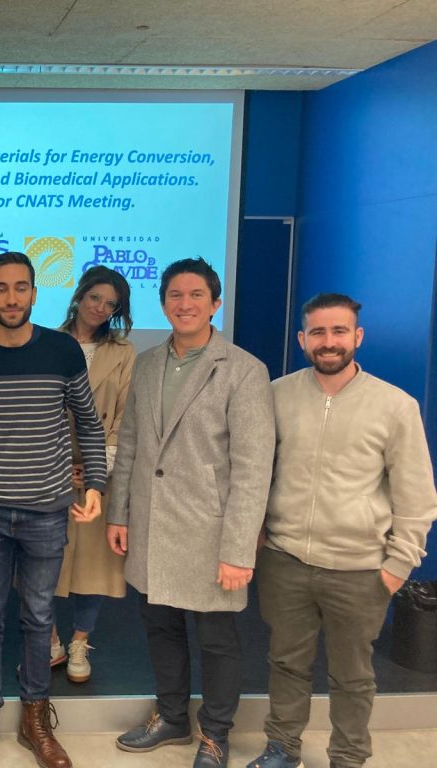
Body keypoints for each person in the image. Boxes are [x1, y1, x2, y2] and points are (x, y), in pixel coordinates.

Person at [246, 293, 437, 768]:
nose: (328, 342)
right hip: (286, 562)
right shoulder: (276, 395)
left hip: (360, 570)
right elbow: (256, 473)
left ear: (357, 336)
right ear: (301, 339)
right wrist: (259, 535)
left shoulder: (395, 406)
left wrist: (397, 566)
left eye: (338, 331)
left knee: (352, 677)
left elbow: (417, 496)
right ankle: (282, 749)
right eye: (318, 332)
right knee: (286, 663)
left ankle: (348, 758)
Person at [106, 258, 275, 768]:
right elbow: (131, 444)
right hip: (152, 525)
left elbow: (253, 468)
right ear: (163, 304)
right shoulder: (147, 364)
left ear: (215, 303)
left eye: (196, 295)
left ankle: (216, 734)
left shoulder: (243, 370)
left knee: (218, 640)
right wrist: (119, 514)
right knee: (160, 628)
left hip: (210, 533)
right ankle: (172, 717)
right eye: (175, 296)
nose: (185, 304)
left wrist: (239, 549)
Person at [0, 252, 107, 768]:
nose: (11, 298)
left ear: (35, 294)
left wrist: (96, 483)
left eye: (21, 288)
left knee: (38, 617)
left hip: (45, 511)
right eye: (1, 288)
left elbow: (88, 422)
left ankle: (36, 717)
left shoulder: (62, 351)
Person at [52, 266, 136, 683]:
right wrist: (58, 463)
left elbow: (124, 415)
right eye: (95, 298)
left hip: (98, 471)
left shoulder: (124, 351)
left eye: (111, 304)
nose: (100, 308)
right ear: (79, 296)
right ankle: (48, 638)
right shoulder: (48, 341)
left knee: (93, 567)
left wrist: (96, 468)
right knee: (43, 562)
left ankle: (80, 641)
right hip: (48, 470)